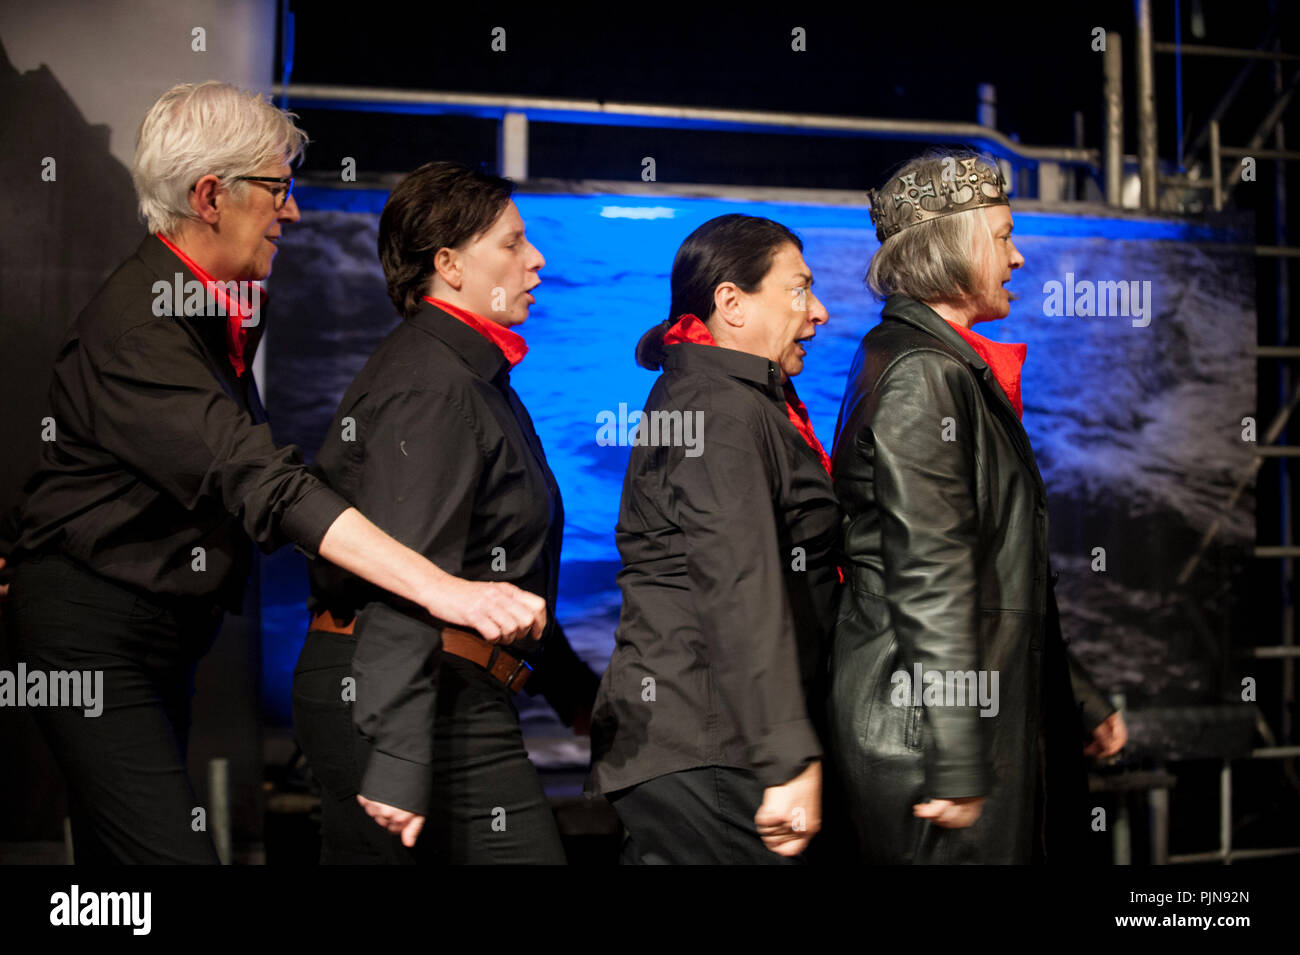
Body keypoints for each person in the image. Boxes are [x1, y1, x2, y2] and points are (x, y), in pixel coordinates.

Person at [2, 84, 544, 865]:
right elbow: (264, 480)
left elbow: (102, 460)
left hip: (158, 626)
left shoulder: (212, 303)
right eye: (277, 188)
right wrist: (445, 589)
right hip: (93, 631)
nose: (291, 211)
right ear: (210, 196)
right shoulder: (141, 327)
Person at [825, 151, 1127, 864]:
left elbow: (1001, 578)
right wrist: (958, 756)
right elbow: (929, 573)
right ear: (952, 246)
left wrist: (1076, 695)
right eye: (1002, 235)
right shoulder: (923, 373)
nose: (1017, 257)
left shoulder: (932, 363)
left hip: (955, 719)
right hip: (927, 737)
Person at [293, 161, 598, 864]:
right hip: (412, 695)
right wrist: (398, 754)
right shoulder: (433, 385)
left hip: (433, 689)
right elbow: (410, 570)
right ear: (450, 264)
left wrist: (578, 700)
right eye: (513, 242)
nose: (536, 257)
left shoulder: (469, 376)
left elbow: (494, 566)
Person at [588, 213, 841, 864]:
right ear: (730, 302)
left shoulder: (715, 395)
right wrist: (786, 754)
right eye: (798, 288)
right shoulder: (718, 408)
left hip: (695, 746)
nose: (818, 311)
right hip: (712, 747)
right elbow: (739, 578)